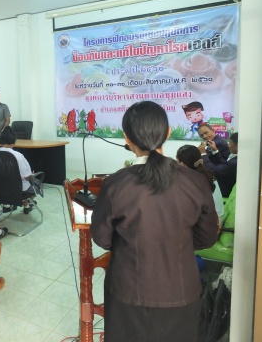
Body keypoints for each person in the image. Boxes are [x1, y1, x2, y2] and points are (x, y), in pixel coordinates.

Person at [90, 101, 218, 342]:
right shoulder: (195, 182)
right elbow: (207, 237)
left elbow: (102, 238)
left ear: (127, 138)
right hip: (181, 292)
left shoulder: (115, 185)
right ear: (168, 133)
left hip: (128, 292)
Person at [177, 144, 225, 226]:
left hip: (209, 225)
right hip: (217, 220)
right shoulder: (209, 175)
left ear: (182, 164)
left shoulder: (190, 181)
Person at [0, 127, 37, 213]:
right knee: (33, 183)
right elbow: (26, 177)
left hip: (2, 187)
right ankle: (27, 204)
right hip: (19, 189)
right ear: (13, 140)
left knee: (15, 184)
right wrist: (32, 175)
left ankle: (14, 205)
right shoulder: (18, 156)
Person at [199, 132, 238, 198]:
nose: (228, 146)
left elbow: (213, 170)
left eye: (230, 143)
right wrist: (215, 151)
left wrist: (203, 154)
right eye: (201, 135)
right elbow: (225, 164)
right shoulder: (235, 158)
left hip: (225, 194)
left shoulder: (235, 162)